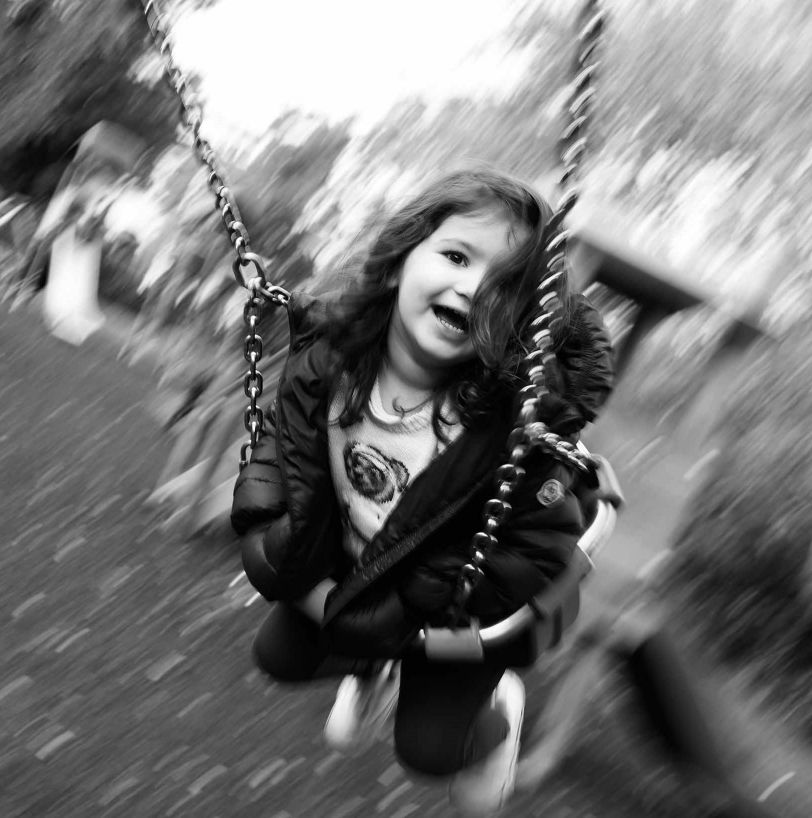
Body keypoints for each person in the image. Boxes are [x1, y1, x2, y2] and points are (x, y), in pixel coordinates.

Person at [230, 165, 615, 815]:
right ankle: (369, 663)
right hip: (360, 577)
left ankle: (497, 720)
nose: (471, 288)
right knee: (278, 655)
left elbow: (532, 551)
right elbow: (282, 448)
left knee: (430, 751)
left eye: (504, 288)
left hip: (452, 607)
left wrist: (405, 619)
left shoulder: (517, 427)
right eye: (457, 255)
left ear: (529, 321)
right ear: (403, 256)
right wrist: (272, 529)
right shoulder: (333, 360)